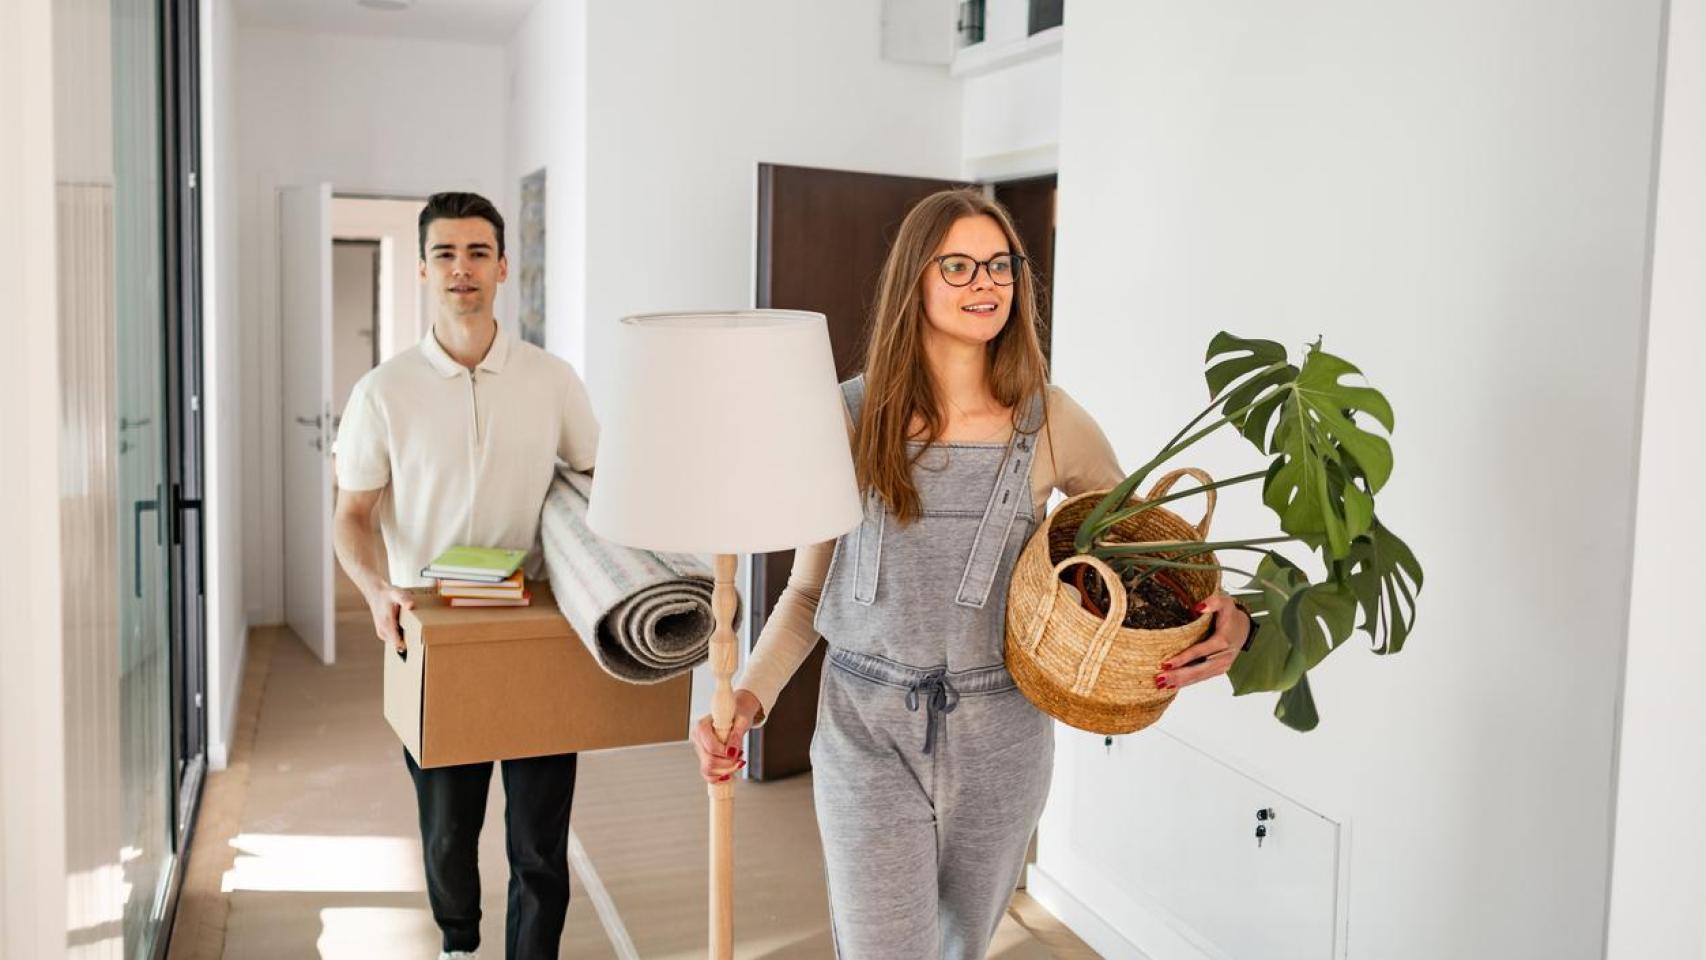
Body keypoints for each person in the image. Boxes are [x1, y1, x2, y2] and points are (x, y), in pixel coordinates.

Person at [689, 189, 1251, 959]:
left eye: (1000, 265)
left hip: (1005, 734)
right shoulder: (845, 418)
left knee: (961, 949)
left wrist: (1233, 615)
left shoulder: (1053, 420)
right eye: (958, 265)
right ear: (913, 281)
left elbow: (1142, 562)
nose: (984, 281)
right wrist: (750, 694)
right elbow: (808, 592)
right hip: (865, 727)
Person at [332, 191, 598, 960]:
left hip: (535, 631)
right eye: (445, 253)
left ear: (504, 267)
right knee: (448, 831)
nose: (462, 269)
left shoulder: (552, 379)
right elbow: (352, 516)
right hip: (436, 638)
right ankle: (458, 944)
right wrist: (377, 590)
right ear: (422, 268)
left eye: (478, 252)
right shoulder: (383, 393)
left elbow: (597, 477)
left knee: (540, 842)